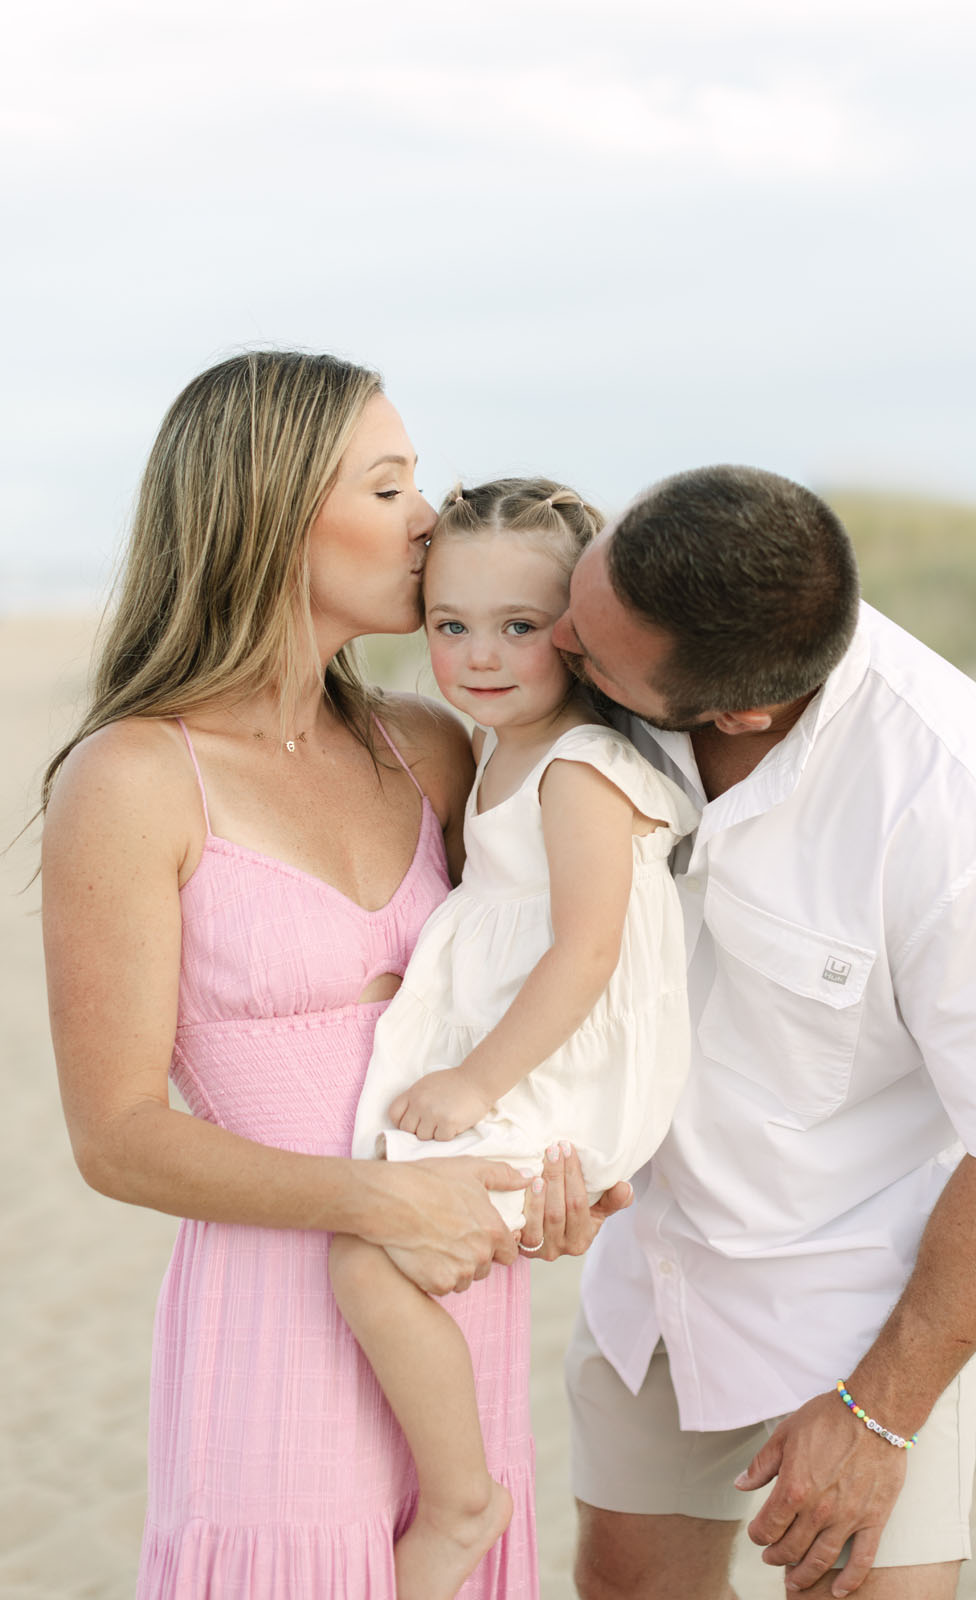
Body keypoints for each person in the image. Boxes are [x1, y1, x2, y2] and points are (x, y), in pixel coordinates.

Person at [39, 352, 626, 1600]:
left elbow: (528, 993)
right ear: (269, 512)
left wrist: (562, 1171)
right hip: (277, 1304)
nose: (427, 518)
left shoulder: (429, 746)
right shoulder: (135, 778)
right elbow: (118, 1138)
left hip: (451, 1290)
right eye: (386, 484)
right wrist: (373, 1202)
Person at [550, 464, 976, 1600]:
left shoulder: (968, 818)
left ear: (736, 711)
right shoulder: (601, 654)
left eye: (587, 651)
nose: (555, 642)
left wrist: (875, 1415)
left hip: (862, 1299)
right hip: (653, 1266)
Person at [329, 477, 699, 1600]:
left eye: (519, 627)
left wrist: (474, 1073)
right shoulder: (504, 748)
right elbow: (503, 913)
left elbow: (584, 953)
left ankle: (459, 1500)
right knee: (374, 1238)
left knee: (363, 1256)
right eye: (450, 625)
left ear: (579, 636)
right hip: (536, 1043)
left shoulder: (579, 771)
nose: (478, 655)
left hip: (567, 1073)